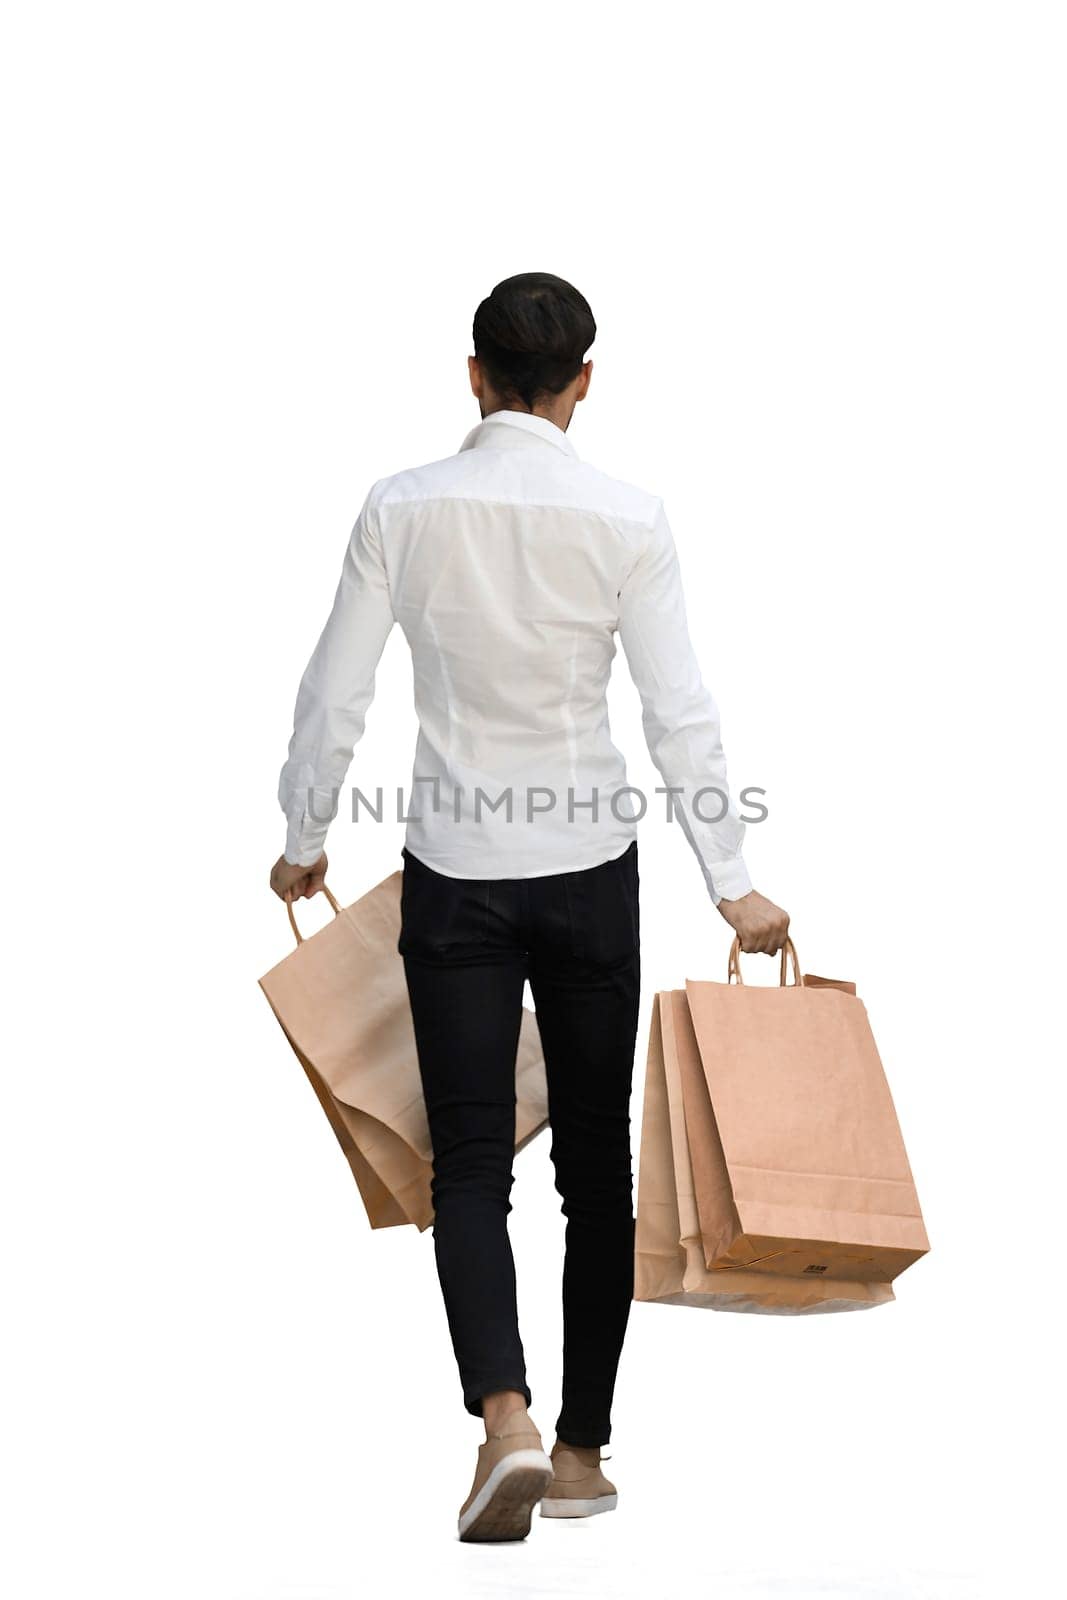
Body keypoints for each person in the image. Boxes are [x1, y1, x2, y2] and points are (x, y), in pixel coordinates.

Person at [269, 272, 789, 1542]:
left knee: (464, 1163)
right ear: (584, 381)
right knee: (594, 1168)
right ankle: (578, 1452)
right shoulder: (626, 515)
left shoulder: (403, 506)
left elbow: (334, 692)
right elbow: (679, 714)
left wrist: (302, 840)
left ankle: (498, 1412)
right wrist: (734, 880)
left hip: (455, 869)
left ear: (471, 374)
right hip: (586, 872)